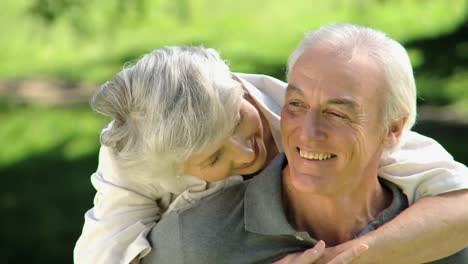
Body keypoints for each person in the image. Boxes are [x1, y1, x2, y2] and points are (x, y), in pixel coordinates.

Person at [74, 43, 468, 264]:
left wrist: (352, 258)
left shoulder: (302, 113)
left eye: (238, 122)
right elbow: (101, 256)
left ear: (238, 86)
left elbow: (458, 195)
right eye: (214, 159)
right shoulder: (136, 159)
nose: (248, 153)